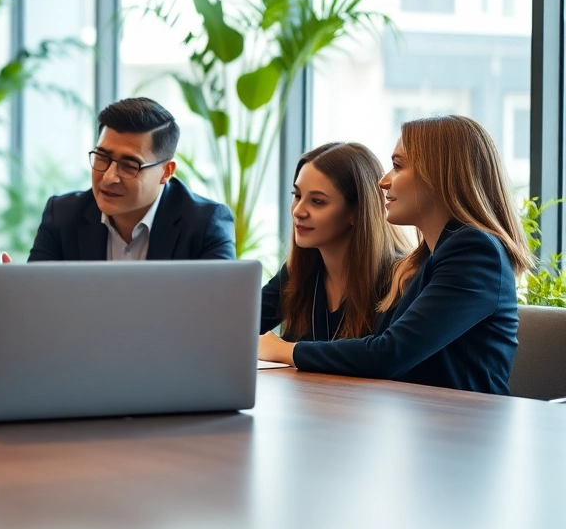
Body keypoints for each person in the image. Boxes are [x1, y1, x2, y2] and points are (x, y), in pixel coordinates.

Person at [259, 116, 534, 393]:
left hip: (467, 426)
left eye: (397, 166)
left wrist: (285, 350)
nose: (383, 182)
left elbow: (387, 354)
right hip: (423, 420)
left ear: (438, 175)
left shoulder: (475, 251)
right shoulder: (426, 258)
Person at [27, 97, 236, 262]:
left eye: (128, 165)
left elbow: (220, 309)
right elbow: (36, 302)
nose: (108, 177)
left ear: (166, 171)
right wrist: (19, 293)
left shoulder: (205, 225)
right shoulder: (63, 217)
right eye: (102, 158)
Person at [260, 143, 407, 340]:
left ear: (356, 212)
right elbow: (235, 327)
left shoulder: (398, 280)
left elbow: (386, 358)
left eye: (317, 201)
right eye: (297, 196)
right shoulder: (298, 271)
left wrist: (283, 351)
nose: (297, 211)